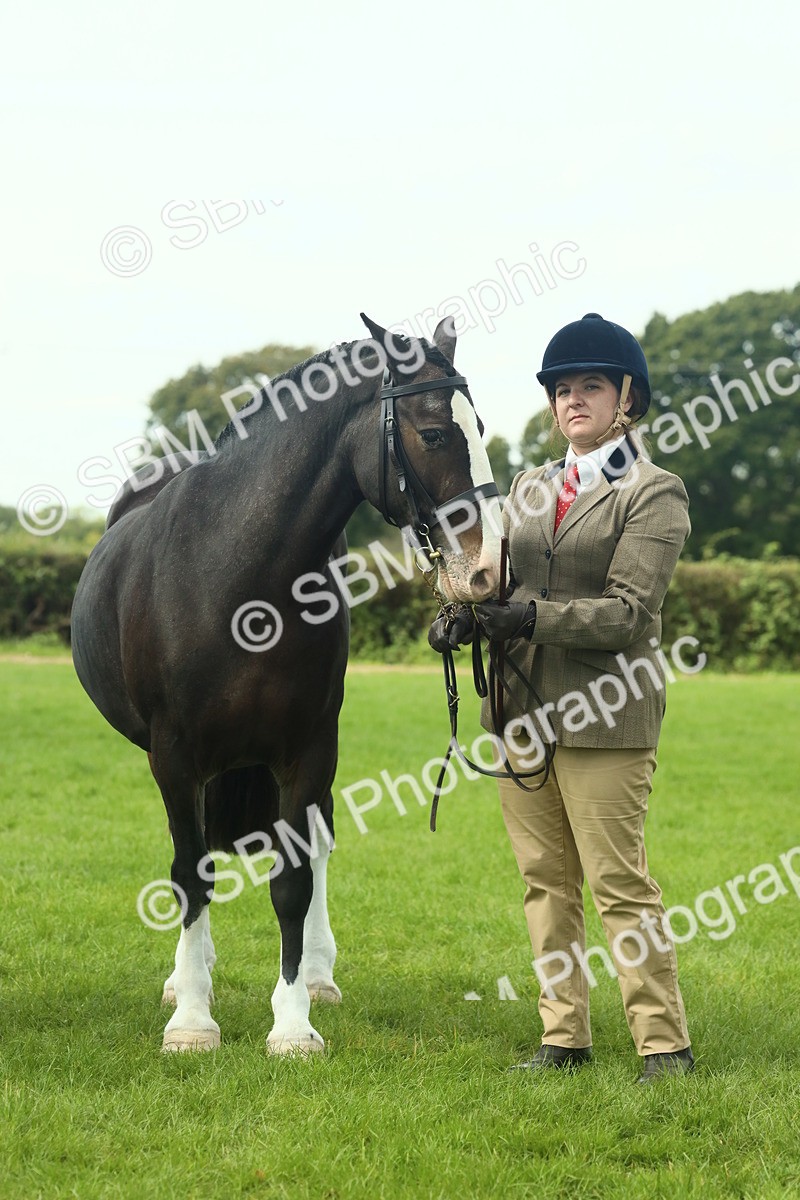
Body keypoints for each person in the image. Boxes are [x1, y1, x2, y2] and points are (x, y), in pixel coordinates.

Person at [430, 313, 694, 1084]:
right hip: (522, 714)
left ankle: (663, 1044)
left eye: (590, 387)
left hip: (607, 717)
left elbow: (626, 615)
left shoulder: (653, 493)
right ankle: (564, 1038)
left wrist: (529, 617)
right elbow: (500, 577)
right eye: (562, 389)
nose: (573, 400)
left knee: (619, 885)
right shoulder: (530, 485)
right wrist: (467, 614)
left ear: (625, 399)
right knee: (544, 882)